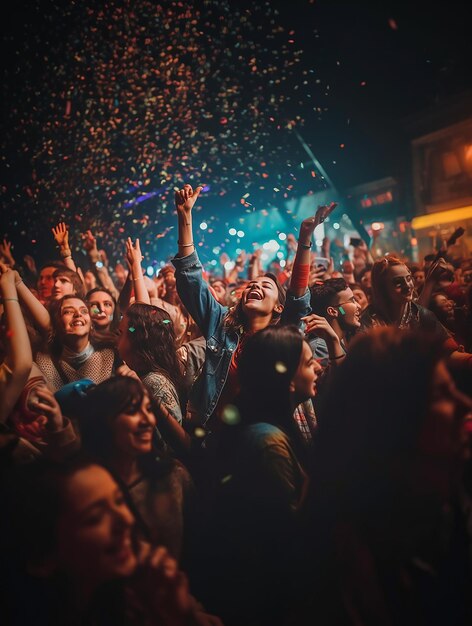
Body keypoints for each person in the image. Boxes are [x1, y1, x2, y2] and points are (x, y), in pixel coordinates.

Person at [294, 328, 472, 626]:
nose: (465, 406)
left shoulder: (447, 505)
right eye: (441, 394)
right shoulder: (350, 572)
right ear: (390, 423)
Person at [171, 183, 335, 437]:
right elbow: (190, 279)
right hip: (219, 439)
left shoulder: (285, 335)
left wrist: (305, 238)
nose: (255, 286)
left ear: (279, 306)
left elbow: (299, 296)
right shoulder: (221, 326)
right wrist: (185, 217)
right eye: (252, 284)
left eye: (266, 286)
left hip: (272, 435)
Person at [1, 457, 222, 625]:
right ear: (42, 558)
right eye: (95, 518)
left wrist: (185, 613)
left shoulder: (141, 591)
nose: (126, 519)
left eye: (119, 501)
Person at [200, 325, 322, 625]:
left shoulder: (269, 427)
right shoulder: (268, 443)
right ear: (287, 380)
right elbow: (287, 535)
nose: (319, 366)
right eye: (308, 363)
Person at [79, 376, 195, 562]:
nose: (147, 421)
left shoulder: (173, 476)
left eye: (148, 410)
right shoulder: (91, 494)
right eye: (133, 411)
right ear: (103, 423)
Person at [35, 295, 118, 391]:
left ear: (91, 324)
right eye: (68, 312)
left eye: (84, 311)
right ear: (56, 322)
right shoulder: (45, 361)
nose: (78, 314)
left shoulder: (110, 356)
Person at [305, 277, 361, 368]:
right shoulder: (321, 348)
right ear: (333, 311)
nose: (358, 306)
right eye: (351, 300)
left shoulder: (341, 341)